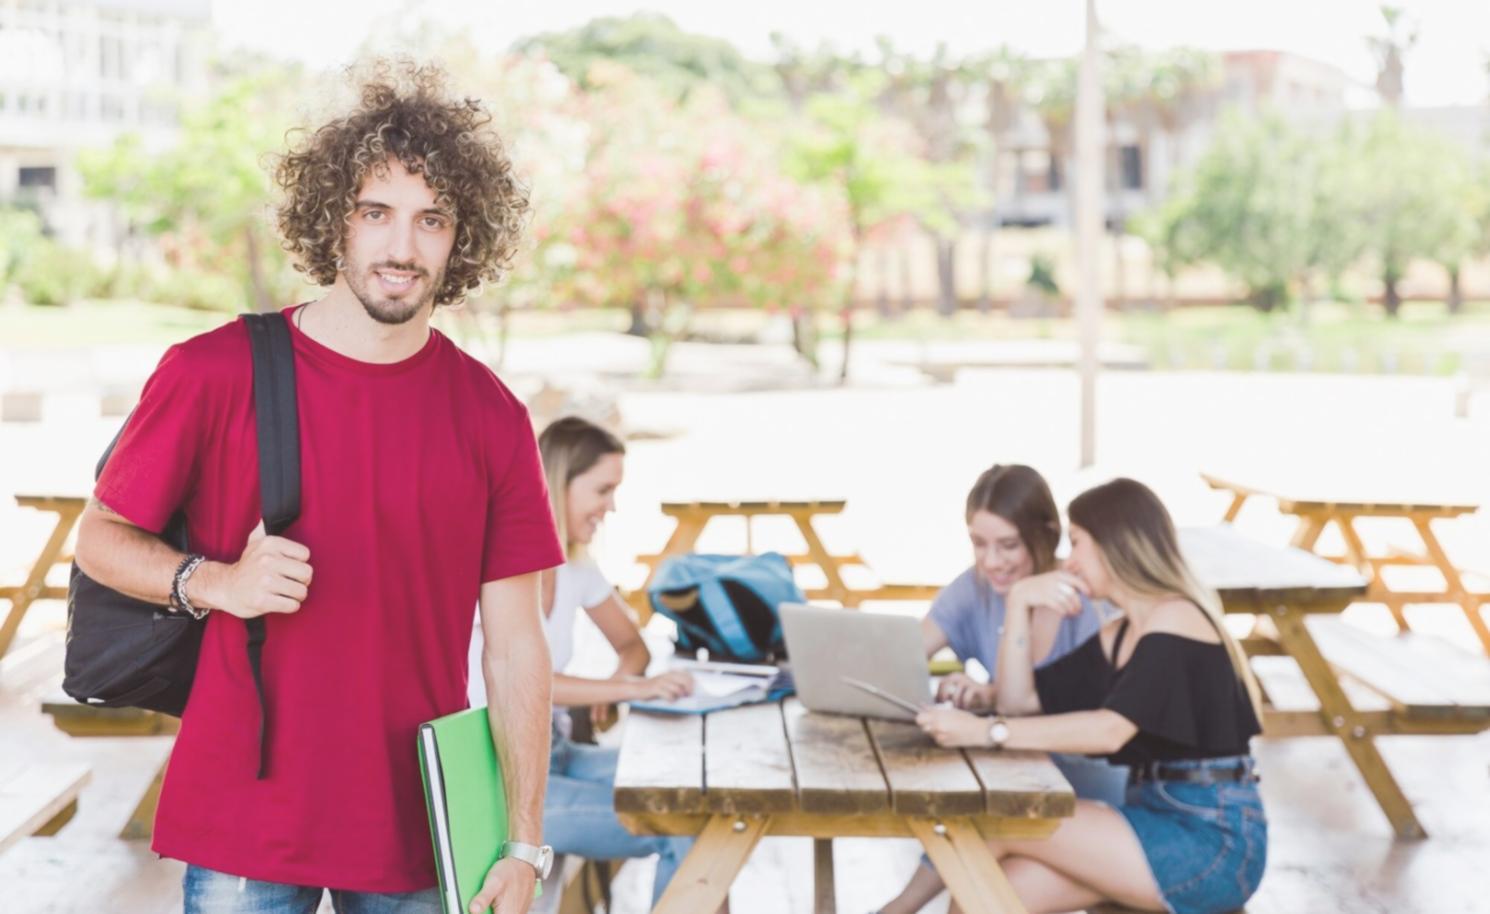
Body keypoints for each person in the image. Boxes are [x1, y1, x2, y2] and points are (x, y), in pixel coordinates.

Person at [75, 62, 561, 914]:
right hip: (245, 818)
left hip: (420, 824)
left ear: (462, 238)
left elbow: (517, 645)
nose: (401, 247)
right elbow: (100, 540)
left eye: (431, 220)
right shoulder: (213, 371)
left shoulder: (493, 417)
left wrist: (523, 841)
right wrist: (214, 582)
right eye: (375, 213)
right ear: (333, 220)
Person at [915, 478, 1267, 914]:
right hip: (1154, 816)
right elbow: (1018, 700)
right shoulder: (1118, 635)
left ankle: (896, 909)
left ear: (1113, 545)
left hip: (1211, 840)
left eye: (1078, 542)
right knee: (995, 894)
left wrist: (986, 732)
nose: (1070, 560)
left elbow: (1109, 730)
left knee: (1003, 823)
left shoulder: (1176, 617)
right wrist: (1019, 605)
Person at [468, 416, 713, 909]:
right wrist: (630, 690)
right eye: (603, 489)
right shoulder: (492, 566)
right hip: (499, 778)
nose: (612, 505)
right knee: (681, 826)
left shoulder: (575, 564)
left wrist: (619, 680)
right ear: (560, 482)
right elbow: (522, 679)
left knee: (694, 791)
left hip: (556, 752)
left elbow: (634, 646)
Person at [876, 464, 1129, 914]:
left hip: (1094, 786)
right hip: (1024, 775)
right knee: (975, 884)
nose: (991, 561)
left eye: (1008, 545)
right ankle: (899, 908)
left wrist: (994, 700)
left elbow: (1087, 710)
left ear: (1047, 535)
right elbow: (899, 657)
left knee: (978, 851)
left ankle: (898, 908)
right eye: (978, 543)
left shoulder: (1089, 600)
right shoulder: (974, 588)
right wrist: (983, 694)